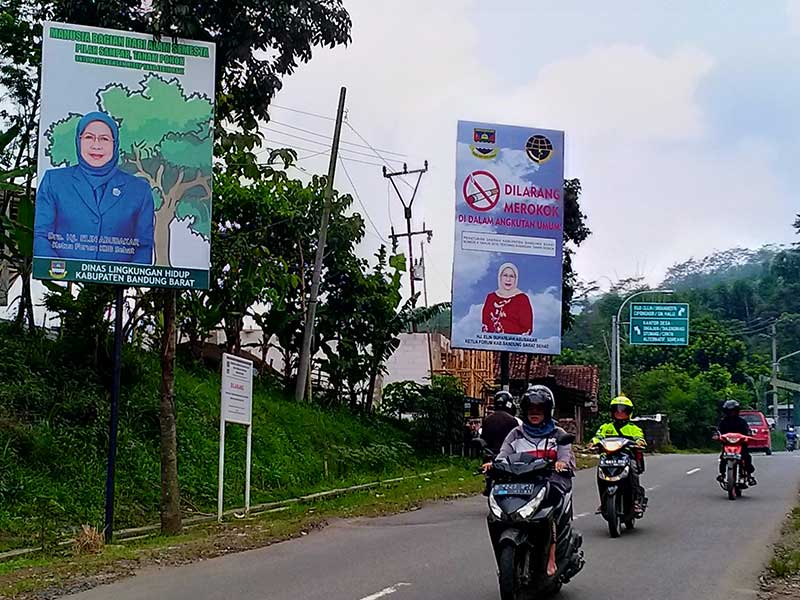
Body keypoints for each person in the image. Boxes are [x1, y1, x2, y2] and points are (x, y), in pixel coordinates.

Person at [34, 111, 154, 265]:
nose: (96, 145)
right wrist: (61, 274)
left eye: (104, 139)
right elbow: (41, 236)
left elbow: (144, 246)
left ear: (115, 144)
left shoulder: (139, 190)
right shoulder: (54, 181)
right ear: (79, 141)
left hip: (116, 285)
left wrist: (126, 278)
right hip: (65, 283)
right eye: (89, 137)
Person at [483, 385, 575, 503]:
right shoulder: (516, 433)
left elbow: (565, 453)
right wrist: (494, 464)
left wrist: (561, 462)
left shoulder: (558, 433)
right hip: (520, 480)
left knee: (555, 493)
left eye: (539, 409)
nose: (534, 413)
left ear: (547, 411)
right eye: (530, 409)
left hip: (549, 479)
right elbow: (504, 453)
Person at [591, 395, 647, 516]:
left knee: (632, 471)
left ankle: (636, 501)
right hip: (609, 457)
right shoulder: (606, 427)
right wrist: (593, 443)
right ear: (612, 412)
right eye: (617, 410)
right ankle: (603, 501)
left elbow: (640, 438)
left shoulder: (633, 428)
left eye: (623, 411)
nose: (620, 413)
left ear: (629, 413)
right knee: (600, 473)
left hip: (626, 457)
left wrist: (639, 443)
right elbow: (597, 437)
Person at [481, 262, 534, 335]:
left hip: (514, 344)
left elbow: (527, 329)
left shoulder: (522, 299)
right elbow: (485, 323)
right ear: (500, 277)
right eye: (505, 275)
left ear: (516, 279)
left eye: (512, 276)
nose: (508, 279)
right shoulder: (491, 297)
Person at [715, 399, 756, 486]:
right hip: (728, 445)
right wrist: (717, 435)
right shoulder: (723, 422)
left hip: (740, 445)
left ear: (737, 411)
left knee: (747, 457)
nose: (731, 413)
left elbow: (747, 431)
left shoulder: (742, 421)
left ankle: (749, 475)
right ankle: (722, 474)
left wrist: (749, 435)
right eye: (729, 411)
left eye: (733, 411)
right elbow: (719, 431)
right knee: (723, 458)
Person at [480, 390, 522, 456]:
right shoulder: (512, 420)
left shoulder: (487, 419)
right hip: (507, 455)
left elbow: (483, 438)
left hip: (489, 454)